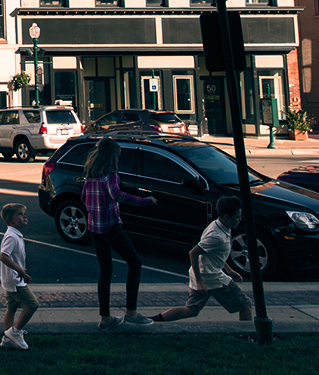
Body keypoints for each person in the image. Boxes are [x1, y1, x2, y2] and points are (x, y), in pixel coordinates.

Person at [81, 136, 156, 330]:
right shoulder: (110, 173)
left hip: (94, 226)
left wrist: (94, 209)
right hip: (110, 225)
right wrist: (143, 201)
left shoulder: (91, 172)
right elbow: (117, 194)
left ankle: (105, 319)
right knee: (135, 262)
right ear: (112, 155)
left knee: (105, 271)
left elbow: (83, 197)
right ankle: (131, 312)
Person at [150, 196, 254, 324]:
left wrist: (229, 269)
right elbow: (193, 253)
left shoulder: (217, 224)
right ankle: (248, 336)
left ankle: (154, 320)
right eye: (237, 217)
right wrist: (200, 282)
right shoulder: (217, 236)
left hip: (201, 273)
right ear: (227, 217)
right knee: (245, 305)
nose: (240, 220)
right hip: (212, 278)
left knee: (191, 310)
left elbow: (214, 255)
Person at [0, 203, 37, 350]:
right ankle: (15, 332)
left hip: (12, 279)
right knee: (32, 304)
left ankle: (7, 339)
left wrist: (22, 272)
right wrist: (20, 270)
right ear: (10, 220)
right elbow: (4, 256)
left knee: (12, 307)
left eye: (24, 213)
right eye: (20, 214)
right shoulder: (11, 237)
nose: (24, 216)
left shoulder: (15, 234)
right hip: (14, 280)